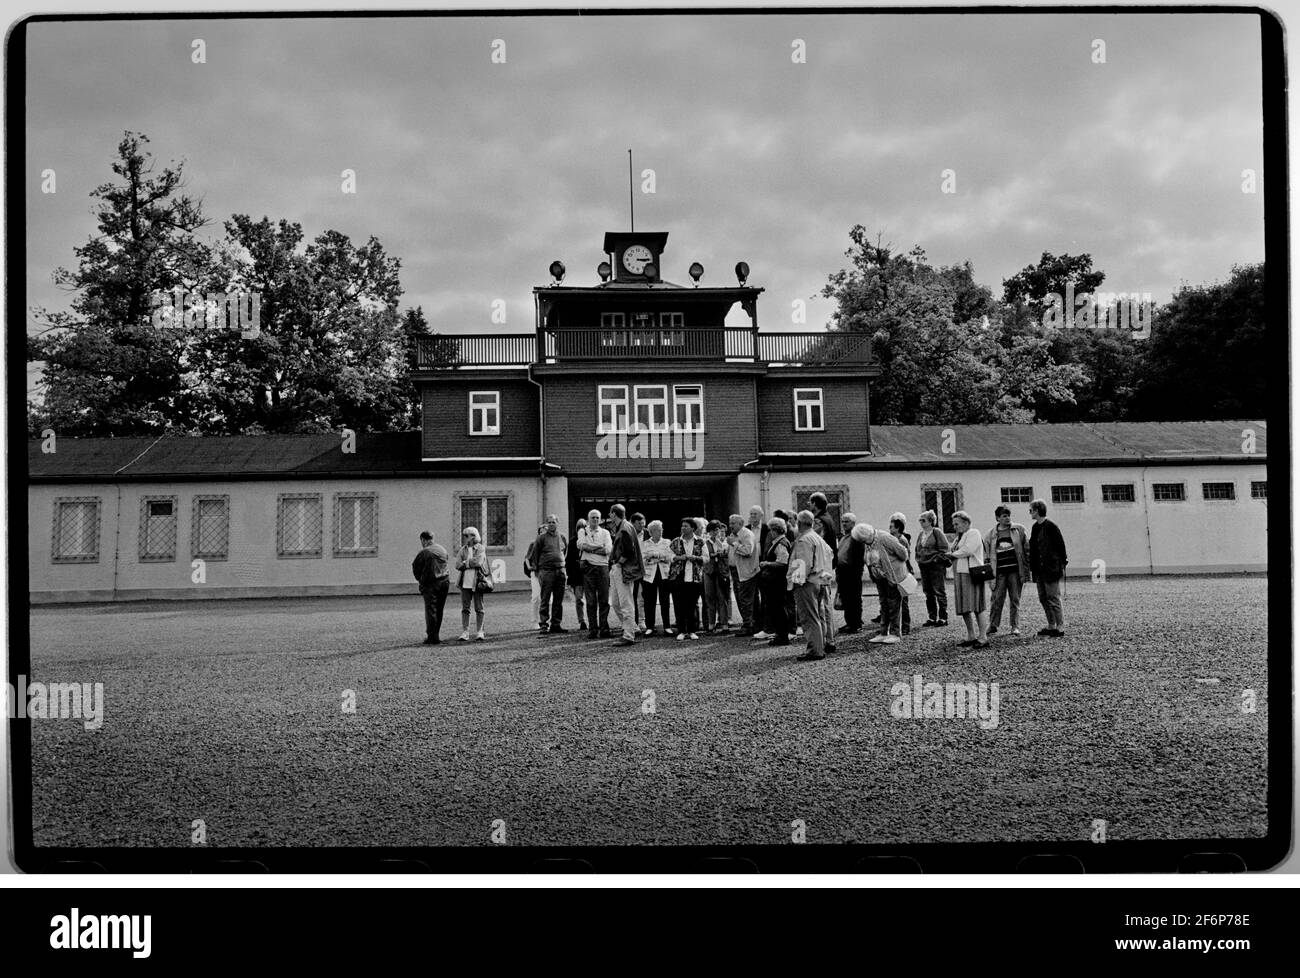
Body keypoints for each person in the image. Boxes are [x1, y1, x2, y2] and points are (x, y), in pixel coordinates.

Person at [857, 523, 909, 645]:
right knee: (884, 604)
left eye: (863, 540)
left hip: (893, 576)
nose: (863, 543)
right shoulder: (868, 543)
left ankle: (896, 633)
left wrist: (893, 564)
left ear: (867, 535)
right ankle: (884, 632)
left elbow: (903, 553)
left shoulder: (884, 537)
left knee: (894, 604)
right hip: (880, 577)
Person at [984, 505, 1030, 637]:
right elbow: (987, 556)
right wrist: (989, 574)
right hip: (999, 573)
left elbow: (1026, 550)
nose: (1007, 518)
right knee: (997, 599)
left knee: (1015, 599)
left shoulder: (1019, 530)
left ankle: (1015, 626)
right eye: (1004, 516)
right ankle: (993, 625)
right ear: (998, 518)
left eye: (1009, 515)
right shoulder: (990, 535)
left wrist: (1026, 570)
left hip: (1015, 572)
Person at [946, 510, 990, 648]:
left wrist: (953, 554)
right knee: (964, 606)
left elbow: (968, 550)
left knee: (977, 605)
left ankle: (983, 636)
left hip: (971, 574)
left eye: (957, 524)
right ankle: (971, 635)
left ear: (966, 523)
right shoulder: (959, 537)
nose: (955, 527)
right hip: (960, 573)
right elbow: (956, 551)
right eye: (954, 524)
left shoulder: (973, 533)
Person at [787, 510, 827, 661]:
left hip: (807, 582)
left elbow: (803, 564)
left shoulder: (804, 540)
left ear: (799, 523)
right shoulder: (816, 537)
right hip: (820, 580)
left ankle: (815, 650)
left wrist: (796, 583)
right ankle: (820, 646)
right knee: (818, 615)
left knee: (809, 617)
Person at [1028, 498, 1069, 637]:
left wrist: (1061, 564)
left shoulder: (1051, 526)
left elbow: (1060, 546)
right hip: (1039, 569)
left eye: (1031, 510)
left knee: (1053, 597)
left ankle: (1060, 626)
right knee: (1043, 597)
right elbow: (1033, 547)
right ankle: (1051, 625)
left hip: (1050, 568)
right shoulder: (1035, 527)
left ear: (1037, 511)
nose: (1030, 513)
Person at [607, 504, 645, 646]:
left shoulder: (624, 528)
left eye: (610, 514)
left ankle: (629, 635)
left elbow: (629, 551)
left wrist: (619, 563)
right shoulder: (625, 526)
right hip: (621, 568)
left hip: (623, 569)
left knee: (625, 603)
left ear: (613, 514)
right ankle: (633, 628)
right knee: (616, 602)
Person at [757, 516, 792, 645]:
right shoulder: (779, 541)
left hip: (777, 581)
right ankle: (780, 634)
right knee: (776, 607)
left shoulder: (780, 543)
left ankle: (782, 636)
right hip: (775, 581)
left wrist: (767, 564)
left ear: (775, 530)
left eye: (771, 530)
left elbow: (783, 562)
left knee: (778, 608)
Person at [668, 518, 705, 640]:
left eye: (686, 526)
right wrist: (678, 558)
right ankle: (681, 630)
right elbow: (668, 555)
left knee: (692, 604)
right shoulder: (675, 541)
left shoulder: (700, 541)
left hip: (694, 577)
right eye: (682, 526)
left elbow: (706, 558)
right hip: (678, 577)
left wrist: (694, 557)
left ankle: (692, 630)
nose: (683, 528)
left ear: (692, 528)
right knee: (679, 604)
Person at [579, 509, 613, 640]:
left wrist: (590, 548)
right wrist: (598, 548)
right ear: (588, 519)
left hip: (603, 568)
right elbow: (581, 545)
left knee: (604, 599)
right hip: (589, 568)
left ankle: (604, 628)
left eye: (598, 518)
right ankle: (593, 629)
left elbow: (608, 550)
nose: (595, 520)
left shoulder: (605, 532)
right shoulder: (583, 531)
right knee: (591, 600)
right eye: (593, 518)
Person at [531, 514, 568, 635]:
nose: (551, 524)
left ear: (558, 523)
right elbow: (535, 554)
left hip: (560, 571)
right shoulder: (541, 538)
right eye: (549, 522)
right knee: (545, 598)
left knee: (558, 599)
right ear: (546, 524)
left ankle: (556, 624)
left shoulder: (562, 537)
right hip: (546, 571)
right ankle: (544, 624)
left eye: (554, 522)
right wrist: (538, 570)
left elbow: (564, 552)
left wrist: (561, 563)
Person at [412, 530, 449, 645]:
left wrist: (421, 580)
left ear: (423, 540)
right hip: (445, 582)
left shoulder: (425, 552)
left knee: (430, 610)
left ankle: (432, 637)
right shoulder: (442, 549)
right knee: (439, 609)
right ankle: (436, 634)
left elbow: (415, 567)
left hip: (431, 583)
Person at [914, 510, 950, 627]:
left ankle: (943, 617)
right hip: (924, 566)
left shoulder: (937, 532)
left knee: (939, 591)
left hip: (936, 566)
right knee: (928, 592)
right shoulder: (921, 534)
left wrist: (935, 559)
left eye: (923, 520)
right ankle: (932, 617)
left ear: (930, 521)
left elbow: (944, 548)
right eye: (920, 520)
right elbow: (917, 549)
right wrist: (919, 560)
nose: (921, 522)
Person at [727, 513, 761, 636]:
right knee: (741, 598)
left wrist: (733, 544)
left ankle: (749, 625)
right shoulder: (734, 535)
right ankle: (750, 623)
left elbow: (748, 551)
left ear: (741, 524)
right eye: (730, 523)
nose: (731, 526)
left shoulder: (747, 534)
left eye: (733, 523)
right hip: (736, 571)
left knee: (746, 599)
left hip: (747, 572)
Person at [640, 520, 675, 635]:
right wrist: (660, 557)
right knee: (649, 601)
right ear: (652, 532)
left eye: (661, 529)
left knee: (665, 601)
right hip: (649, 576)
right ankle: (650, 627)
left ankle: (667, 626)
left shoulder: (667, 542)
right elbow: (644, 559)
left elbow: (670, 557)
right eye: (659, 530)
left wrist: (655, 556)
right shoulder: (645, 544)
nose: (661, 531)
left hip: (664, 574)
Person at [455, 526, 489, 642]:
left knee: (479, 608)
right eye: (464, 535)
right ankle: (465, 632)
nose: (464, 538)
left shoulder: (480, 548)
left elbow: (479, 562)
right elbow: (457, 565)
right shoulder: (462, 549)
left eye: (467, 535)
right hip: (464, 583)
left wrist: (465, 562)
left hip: (477, 582)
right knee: (465, 608)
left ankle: (480, 631)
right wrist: (468, 563)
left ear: (474, 536)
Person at [834, 512, 866, 634]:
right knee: (846, 598)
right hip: (842, 572)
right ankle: (849, 622)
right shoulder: (843, 537)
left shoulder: (857, 537)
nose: (844, 524)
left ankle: (856, 624)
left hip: (852, 573)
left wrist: (856, 573)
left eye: (846, 521)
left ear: (853, 523)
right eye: (842, 521)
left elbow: (858, 558)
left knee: (854, 599)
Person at [702, 520, 733, 633]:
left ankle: (724, 624)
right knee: (709, 597)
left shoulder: (725, 542)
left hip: (722, 572)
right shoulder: (705, 543)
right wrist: (714, 554)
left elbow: (727, 554)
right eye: (712, 530)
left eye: (717, 530)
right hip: (709, 572)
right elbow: (704, 556)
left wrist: (719, 553)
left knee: (722, 598)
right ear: (709, 532)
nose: (715, 532)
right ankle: (711, 624)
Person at [889, 513, 914, 636]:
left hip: (902, 573)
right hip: (896, 572)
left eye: (892, 527)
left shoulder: (902, 540)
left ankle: (905, 626)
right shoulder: (894, 539)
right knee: (895, 601)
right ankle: (896, 626)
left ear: (898, 528)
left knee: (903, 601)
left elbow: (905, 557)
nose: (890, 529)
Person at [566, 518, 588, 632]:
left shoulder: (589, 540)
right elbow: (568, 560)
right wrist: (569, 577)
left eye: (583, 527)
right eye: (579, 527)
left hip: (588, 574)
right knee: (579, 599)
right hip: (577, 575)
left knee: (591, 599)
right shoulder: (572, 541)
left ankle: (593, 621)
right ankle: (582, 621)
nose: (581, 529)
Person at [522, 522, 545, 627]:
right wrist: (529, 567)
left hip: (547, 573)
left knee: (548, 599)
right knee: (536, 597)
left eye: (545, 531)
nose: (543, 534)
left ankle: (545, 621)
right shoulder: (534, 543)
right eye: (541, 532)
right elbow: (527, 558)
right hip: (536, 573)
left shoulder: (551, 544)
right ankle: (535, 621)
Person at [631, 512, 648, 634]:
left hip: (647, 568)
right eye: (639, 523)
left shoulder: (648, 533)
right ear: (633, 523)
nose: (641, 525)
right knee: (633, 596)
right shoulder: (629, 533)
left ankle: (643, 621)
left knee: (644, 596)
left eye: (643, 523)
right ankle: (634, 622)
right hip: (633, 568)